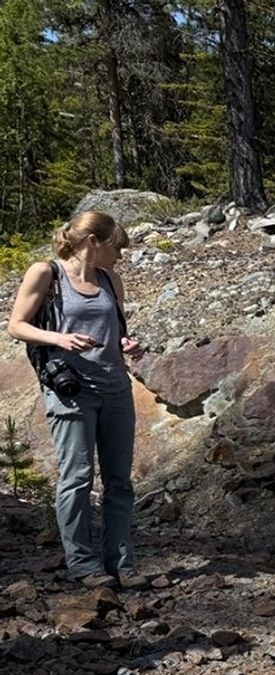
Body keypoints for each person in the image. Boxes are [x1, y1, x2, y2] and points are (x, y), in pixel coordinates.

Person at [6, 211, 145, 587]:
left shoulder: (110, 279)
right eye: (116, 247)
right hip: (71, 390)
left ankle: (122, 563)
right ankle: (83, 565)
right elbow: (17, 325)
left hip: (116, 387)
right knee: (78, 478)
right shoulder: (45, 273)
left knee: (120, 481)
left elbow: (114, 328)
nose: (120, 256)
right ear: (93, 242)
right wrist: (60, 339)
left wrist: (126, 344)